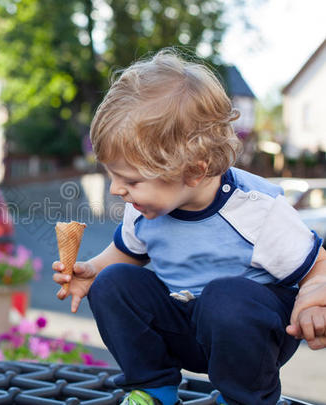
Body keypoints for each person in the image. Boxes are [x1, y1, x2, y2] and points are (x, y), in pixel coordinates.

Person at [52, 49, 326, 405]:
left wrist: (312, 299)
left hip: (250, 338)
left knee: (225, 298)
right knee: (112, 284)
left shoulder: (258, 211)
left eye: (131, 180)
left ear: (194, 171)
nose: (117, 190)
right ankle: (153, 390)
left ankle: (245, 399)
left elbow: (317, 265)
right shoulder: (143, 209)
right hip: (184, 324)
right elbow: (124, 254)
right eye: (113, 176)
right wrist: (92, 271)